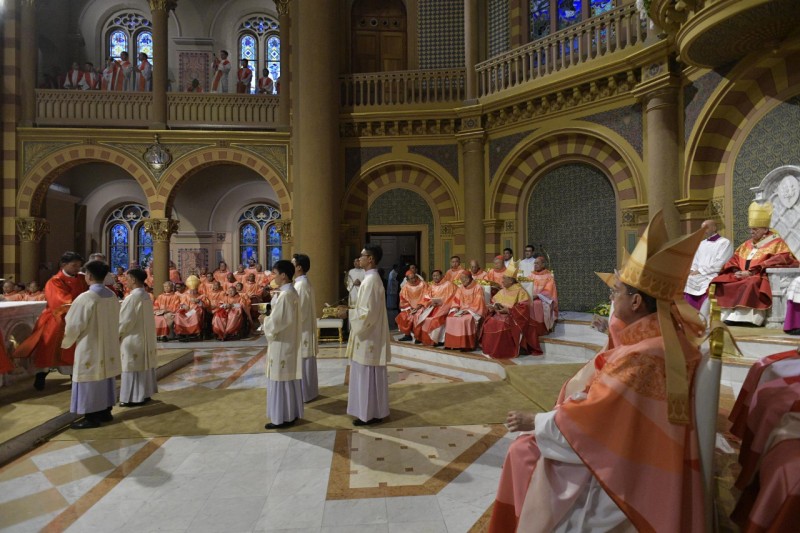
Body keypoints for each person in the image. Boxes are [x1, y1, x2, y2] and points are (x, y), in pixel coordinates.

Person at [488, 211, 707, 532]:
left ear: (636, 302)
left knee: (522, 452)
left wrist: (536, 421)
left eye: (616, 292)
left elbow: (595, 419)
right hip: (639, 447)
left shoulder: (644, 357)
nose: (611, 297)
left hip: (625, 470)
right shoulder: (664, 340)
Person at [711, 201, 798, 326]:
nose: (752, 232)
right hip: (742, 274)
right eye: (751, 229)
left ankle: (748, 318)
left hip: (759, 275)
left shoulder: (776, 242)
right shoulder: (746, 244)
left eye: (755, 229)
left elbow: (783, 258)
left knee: (751, 282)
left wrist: (752, 271)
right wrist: (736, 271)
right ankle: (726, 315)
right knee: (721, 280)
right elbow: (734, 259)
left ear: (765, 229)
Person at [14, 251, 88, 390]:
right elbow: (59, 301)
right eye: (74, 265)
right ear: (63, 265)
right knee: (49, 350)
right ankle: (41, 376)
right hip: (56, 319)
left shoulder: (82, 279)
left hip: (77, 318)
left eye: (79, 265)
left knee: (73, 351)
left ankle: (75, 380)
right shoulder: (55, 281)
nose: (77, 268)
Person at [61, 260, 121, 429]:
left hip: (90, 345)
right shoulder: (111, 295)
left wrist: (66, 340)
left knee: (89, 377)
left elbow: (74, 324)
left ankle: (91, 416)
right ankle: (105, 411)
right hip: (108, 344)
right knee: (105, 377)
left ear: (89, 276)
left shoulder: (86, 298)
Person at [346, 244, 391, 426]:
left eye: (362, 255)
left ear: (370, 259)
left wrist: (348, 313)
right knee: (370, 376)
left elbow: (368, 313)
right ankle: (375, 411)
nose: (360, 258)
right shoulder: (370, 279)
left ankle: (368, 414)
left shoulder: (371, 281)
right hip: (370, 334)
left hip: (368, 336)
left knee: (366, 376)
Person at [262, 259, 304, 429]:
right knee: (287, 380)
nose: (273, 277)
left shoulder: (286, 295)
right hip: (288, 342)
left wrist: (264, 320)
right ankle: (289, 414)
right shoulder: (290, 292)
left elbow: (277, 322)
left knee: (280, 379)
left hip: (281, 343)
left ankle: (281, 418)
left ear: (284, 276)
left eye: (275, 273)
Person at [479, 261, 540, 359]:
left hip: (512, 317)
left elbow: (524, 308)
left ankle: (501, 351)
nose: (502, 280)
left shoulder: (520, 291)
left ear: (511, 281)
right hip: (499, 314)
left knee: (501, 324)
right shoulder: (503, 290)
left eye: (504, 278)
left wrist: (508, 310)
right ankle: (489, 349)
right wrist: (492, 307)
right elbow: (494, 300)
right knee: (489, 322)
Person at [118, 268, 158, 407]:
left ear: (134, 279)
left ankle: (132, 398)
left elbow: (125, 320)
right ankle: (145, 393)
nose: (126, 281)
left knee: (132, 367)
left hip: (133, 337)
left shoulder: (132, 298)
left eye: (127, 278)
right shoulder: (146, 295)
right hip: (145, 337)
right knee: (143, 366)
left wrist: (117, 334)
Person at [683, 219, 733, 321]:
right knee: (687, 280)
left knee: (706, 284)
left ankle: (702, 315)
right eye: (702, 229)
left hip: (713, 274)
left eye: (706, 228)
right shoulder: (701, 243)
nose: (703, 231)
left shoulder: (724, 243)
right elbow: (695, 261)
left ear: (714, 228)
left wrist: (701, 271)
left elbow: (721, 262)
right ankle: (688, 314)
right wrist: (692, 270)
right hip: (699, 273)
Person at [292, 253, 319, 403]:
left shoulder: (300, 285)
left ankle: (305, 393)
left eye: (293, 263)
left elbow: (299, 311)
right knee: (305, 361)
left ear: (299, 267)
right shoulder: (303, 282)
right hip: (305, 329)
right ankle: (309, 392)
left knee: (303, 361)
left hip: (302, 330)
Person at [444, 270, 488, 350]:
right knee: (450, 318)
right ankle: (453, 344)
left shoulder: (478, 287)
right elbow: (456, 300)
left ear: (469, 278)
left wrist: (469, 311)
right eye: (461, 279)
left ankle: (467, 345)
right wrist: (455, 309)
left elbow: (479, 302)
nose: (462, 280)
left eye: (464, 278)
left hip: (473, 311)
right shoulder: (461, 288)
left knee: (464, 320)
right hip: (461, 310)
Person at [412, 270, 456, 346]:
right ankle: (423, 338)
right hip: (433, 307)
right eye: (434, 276)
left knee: (435, 320)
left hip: (444, 307)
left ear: (442, 276)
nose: (435, 277)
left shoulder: (448, 284)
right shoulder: (431, 286)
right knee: (421, 317)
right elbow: (426, 297)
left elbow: (454, 296)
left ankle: (437, 340)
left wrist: (443, 303)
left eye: (437, 275)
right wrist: (430, 302)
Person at [525, 253, 559, 334]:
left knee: (536, 304)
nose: (535, 265)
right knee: (523, 303)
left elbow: (549, 290)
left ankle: (539, 329)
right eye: (535, 263)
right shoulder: (532, 275)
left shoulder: (548, 276)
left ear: (543, 264)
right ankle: (527, 327)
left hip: (544, 299)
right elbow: (526, 286)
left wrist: (537, 295)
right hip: (531, 297)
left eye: (537, 263)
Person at [173, 275, 209, 340]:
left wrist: (199, 301)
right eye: (191, 290)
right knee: (178, 314)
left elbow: (206, 305)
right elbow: (181, 304)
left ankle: (194, 333)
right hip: (187, 311)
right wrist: (183, 306)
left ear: (197, 289)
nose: (192, 291)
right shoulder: (185, 296)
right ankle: (181, 333)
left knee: (193, 314)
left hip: (195, 311)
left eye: (194, 290)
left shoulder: (202, 296)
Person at [395, 270, 427, 341]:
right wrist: (410, 308)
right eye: (411, 278)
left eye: (414, 277)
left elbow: (427, 296)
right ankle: (407, 335)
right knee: (403, 315)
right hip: (410, 308)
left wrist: (419, 306)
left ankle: (418, 337)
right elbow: (403, 300)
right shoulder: (405, 287)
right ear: (407, 280)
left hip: (422, 306)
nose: (414, 280)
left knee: (416, 316)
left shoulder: (423, 284)